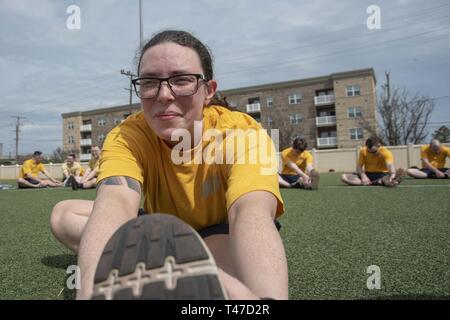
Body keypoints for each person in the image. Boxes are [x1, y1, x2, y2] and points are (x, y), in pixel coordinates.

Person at [50, 30, 288, 300]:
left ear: (208, 90)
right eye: (150, 82)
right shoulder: (127, 135)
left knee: (221, 266)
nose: (163, 94)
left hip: (218, 230)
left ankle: (169, 258)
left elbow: (251, 212)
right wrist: (94, 293)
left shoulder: (243, 133)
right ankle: (171, 257)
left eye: (181, 80)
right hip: (155, 226)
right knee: (62, 215)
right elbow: (115, 203)